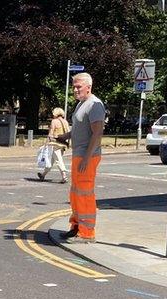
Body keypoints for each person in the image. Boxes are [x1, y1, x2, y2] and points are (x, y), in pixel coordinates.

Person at [58, 72, 105, 243]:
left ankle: (87, 232)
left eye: (78, 87)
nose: (75, 90)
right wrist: (66, 135)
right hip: (80, 154)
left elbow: (97, 132)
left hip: (87, 156)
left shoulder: (95, 105)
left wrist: (87, 157)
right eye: (74, 87)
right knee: (76, 192)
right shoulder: (81, 104)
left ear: (88, 87)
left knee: (85, 193)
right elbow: (81, 130)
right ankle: (76, 226)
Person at [45, 107, 70, 184]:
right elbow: (68, 132)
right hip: (63, 143)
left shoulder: (54, 121)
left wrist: (47, 142)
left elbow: (51, 132)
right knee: (51, 160)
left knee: (58, 160)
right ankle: (43, 174)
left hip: (55, 143)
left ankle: (64, 176)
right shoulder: (65, 122)